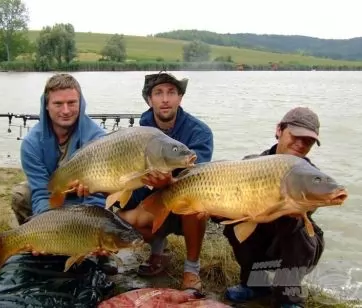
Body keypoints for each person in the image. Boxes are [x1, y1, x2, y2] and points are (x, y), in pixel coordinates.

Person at [115, 71, 214, 293]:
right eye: (158, 93)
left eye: (171, 92)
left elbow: (199, 176)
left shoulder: (200, 133)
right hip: (152, 202)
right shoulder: (142, 129)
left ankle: (191, 269)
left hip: (183, 205)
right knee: (118, 217)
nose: (165, 99)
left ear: (180, 97)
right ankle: (158, 250)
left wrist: (170, 180)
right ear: (149, 100)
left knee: (194, 202)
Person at [221, 107, 325, 308]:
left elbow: (310, 208)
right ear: (279, 130)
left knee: (296, 227)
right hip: (263, 236)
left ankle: (287, 297)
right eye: (296, 135)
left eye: (309, 140)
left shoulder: (312, 176)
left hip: (297, 244)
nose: (301, 144)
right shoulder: (250, 164)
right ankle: (255, 285)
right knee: (237, 222)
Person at [11, 73, 115, 270]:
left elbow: (99, 195)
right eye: (58, 104)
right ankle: (39, 243)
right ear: (46, 105)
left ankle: (101, 254)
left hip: (87, 202)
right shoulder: (31, 144)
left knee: (110, 200)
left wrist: (92, 235)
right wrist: (48, 229)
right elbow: (41, 192)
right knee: (21, 194)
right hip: (53, 199)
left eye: (71, 103)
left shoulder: (98, 139)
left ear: (81, 103)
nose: (66, 110)